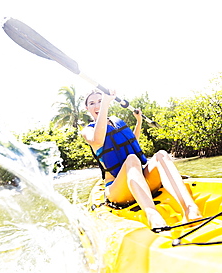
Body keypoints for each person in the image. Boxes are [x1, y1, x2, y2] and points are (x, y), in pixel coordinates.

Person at [81, 90, 202, 229]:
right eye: (92, 103)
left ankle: (190, 209)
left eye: (100, 101)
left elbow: (131, 143)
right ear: (87, 108)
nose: (97, 105)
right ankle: (153, 216)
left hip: (141, 182)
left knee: (161, 154)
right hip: (118, 191)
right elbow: (98, 140)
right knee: (132, 159)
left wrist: (138, 122)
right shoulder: (88, 131)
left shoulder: (116, 122)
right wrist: (105, 105)